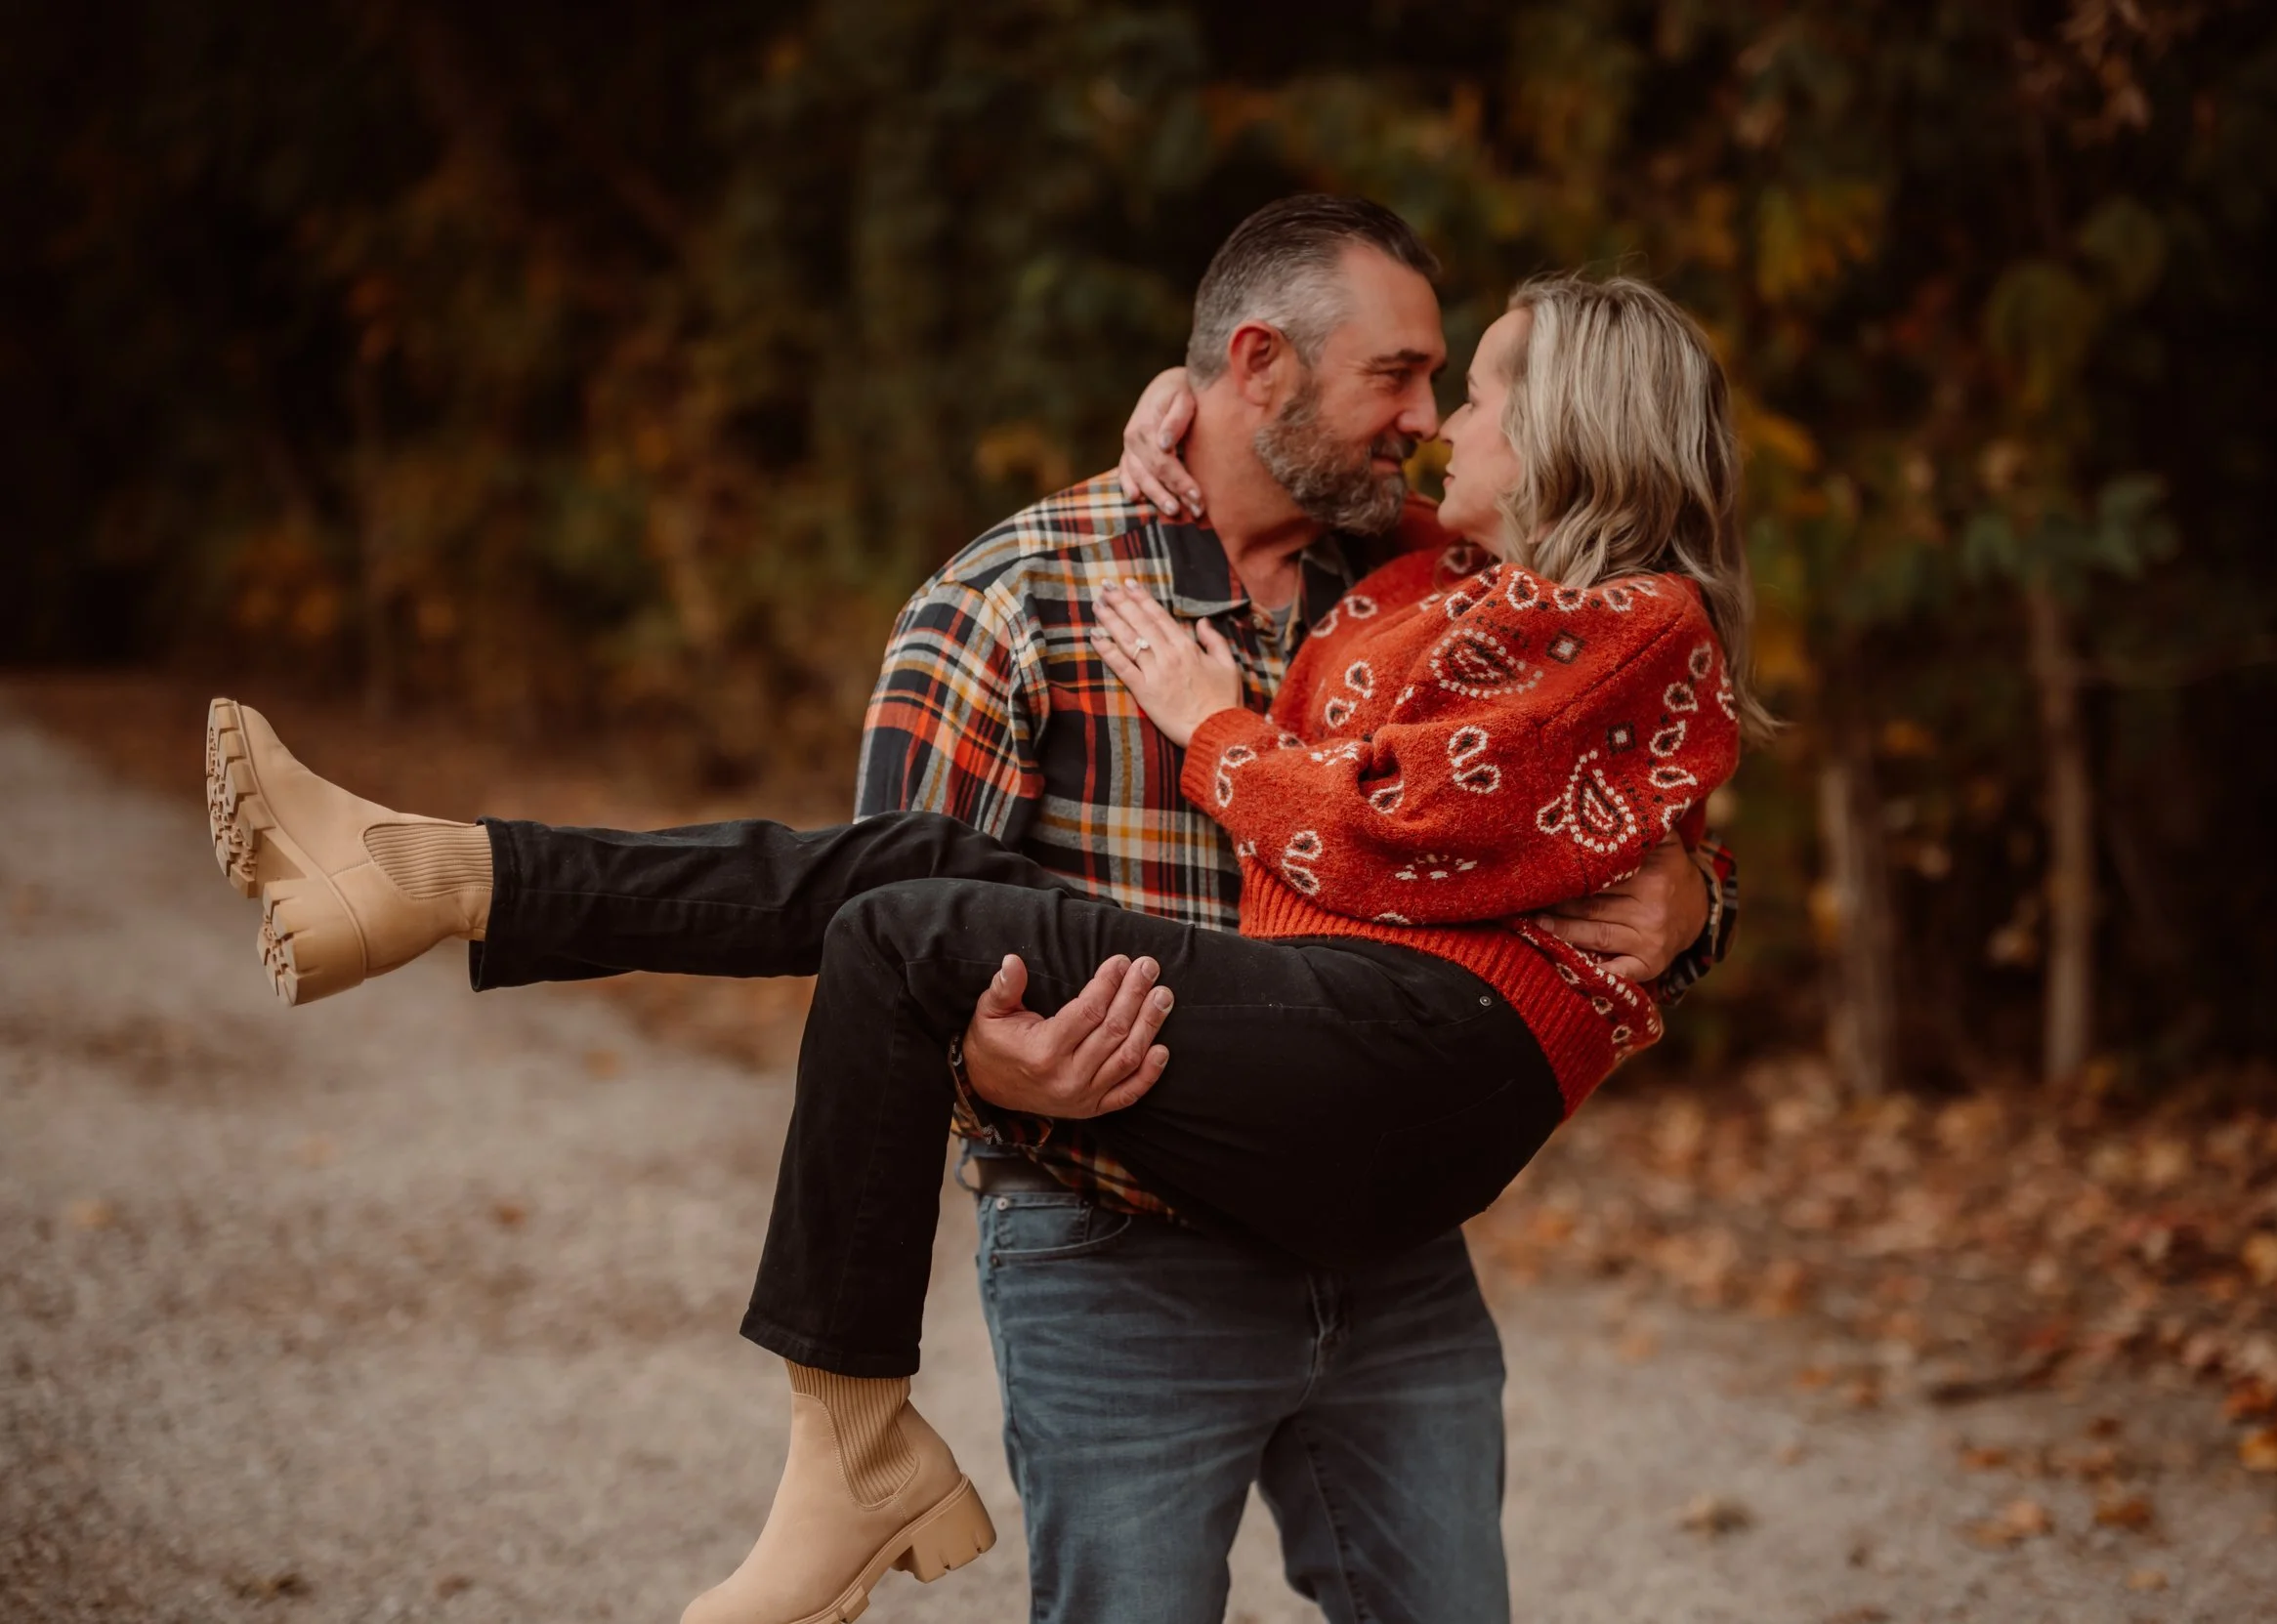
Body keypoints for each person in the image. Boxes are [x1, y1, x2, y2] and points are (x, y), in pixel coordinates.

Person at [206, 249, 1758, 1624]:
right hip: (1130, 1257)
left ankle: (845, 1445)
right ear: (1254, 368)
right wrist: (998, 1070)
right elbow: (909, 980)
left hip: (1382, 1234)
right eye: (1399, 377)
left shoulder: (1432, 568)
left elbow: (1543, 807)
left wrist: (1700, 900)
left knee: (907, 917)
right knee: (905, 895)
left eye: (1455, 386)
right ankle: (441, 872)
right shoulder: (1015, 599)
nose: (1428, 418)